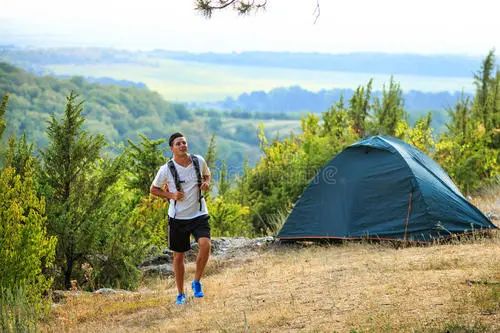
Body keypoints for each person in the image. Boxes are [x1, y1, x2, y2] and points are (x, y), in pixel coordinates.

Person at [150, 132, 211, 305]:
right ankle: (180, 294)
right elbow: (154, 189)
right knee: (178, 257)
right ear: (172, 148)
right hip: (178, 218)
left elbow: (207, 174)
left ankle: (197, 282)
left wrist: (206, 183)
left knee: (206, 245)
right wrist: (171, 195)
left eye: (184, 142)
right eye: (178, 144)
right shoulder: (166, 169)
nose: (182, 145)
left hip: (199, 213)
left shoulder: (198, 161)